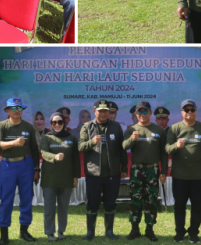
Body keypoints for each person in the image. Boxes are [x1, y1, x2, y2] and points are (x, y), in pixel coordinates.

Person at [78, 99, 128, 241]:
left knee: (110, 203)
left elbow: (122, 149)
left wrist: (124, 167)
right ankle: (90, 232)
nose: (103, 113)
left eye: (106, 111)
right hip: (93, 173)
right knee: (92, 203)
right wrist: (92, 142)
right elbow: (80, 147)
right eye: (100, 111)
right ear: (95, 112)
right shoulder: (87, 127)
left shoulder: (116, 127)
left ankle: (109, 231)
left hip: (113, 173)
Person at [166, 99, 201, 243]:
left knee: (197, 206)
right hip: (179, 176)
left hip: (198, 176)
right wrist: (176, 145)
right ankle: (180, 232)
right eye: (186, 110)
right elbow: (167, 149)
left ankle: (194, 233)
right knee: (179, 206)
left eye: (192, 109)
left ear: (196, 111)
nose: (189, 112)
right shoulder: (174, 128)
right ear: (182, 112)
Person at [0, 98, 40, 244]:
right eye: (13, 108)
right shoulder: (2, 125)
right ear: (7, 110)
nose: (17, 110)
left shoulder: (28, 127)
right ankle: (4, 234)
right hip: (8, 166)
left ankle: (24, 231)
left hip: (26, 164)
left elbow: (34, 149)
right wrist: (14, 143)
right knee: (6, 200)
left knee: (26, 198)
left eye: (19, 108)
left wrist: (36, 168)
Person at [123, 101, 168, 241]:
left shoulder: (158, 130)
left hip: (152, 170)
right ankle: (134, 228)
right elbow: (124, 146)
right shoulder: (131, 129)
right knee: (135, 199)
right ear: (136, 114)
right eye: (139, 112)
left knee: (151, 200)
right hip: (136, 169)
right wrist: (133, 138)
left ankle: (149, 229)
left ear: (150, 112)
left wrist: (164, 171)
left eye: (145, 111)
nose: (142, 114)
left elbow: (164, 153)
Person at [40, 112, 80, 242]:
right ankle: (50, 232)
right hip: (49, 179)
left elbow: (76, 159)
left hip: (66, 178)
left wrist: (76, 177)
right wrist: (54, 157)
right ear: (51, 124)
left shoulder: (71, 138)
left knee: (63, 207)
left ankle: (61, 231)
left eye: (60, 122)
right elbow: (44, 154)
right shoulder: (46, 138)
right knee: (49, 207)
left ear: (64, 123)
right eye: (54, 122)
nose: (57, 125)